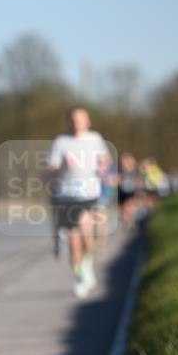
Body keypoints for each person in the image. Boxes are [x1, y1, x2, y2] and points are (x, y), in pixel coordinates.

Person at [46, 107, 110, 299]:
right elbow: (50, 168)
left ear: (88, 122)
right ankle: (79, 277)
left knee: (86, 236)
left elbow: (105, 159)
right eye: (73, 120)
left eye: (81, 119)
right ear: (68, 122)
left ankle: (87, 265)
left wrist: (103, 166)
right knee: (74, 240)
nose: (77, 123)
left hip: (89, 193)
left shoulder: (95, 139)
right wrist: (55, 169)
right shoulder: (60, 142)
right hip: (66, 195)